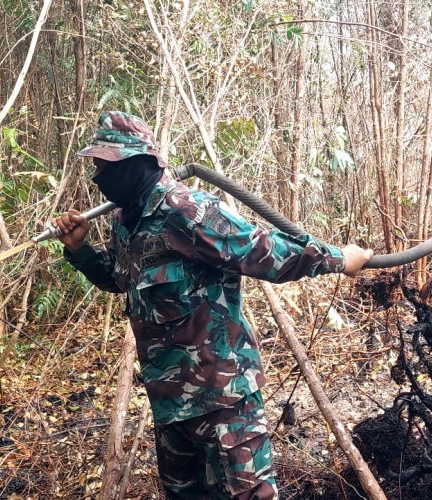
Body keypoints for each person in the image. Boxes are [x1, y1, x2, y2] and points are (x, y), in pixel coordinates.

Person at [51, 111, 373, 500]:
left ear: (135, 161)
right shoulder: (126, 222)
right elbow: (120, 281)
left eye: (104, 165)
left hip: (224, 402)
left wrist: (339, 259)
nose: (98, 176)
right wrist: (79, 249)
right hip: (170, 406)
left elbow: (265, 253)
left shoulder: (189, 211)